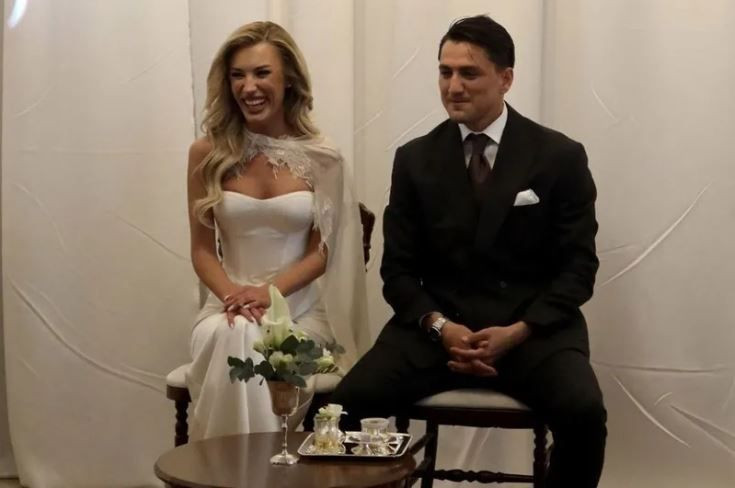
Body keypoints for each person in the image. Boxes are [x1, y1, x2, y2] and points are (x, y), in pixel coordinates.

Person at [331, 15, 606, 487]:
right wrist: (442, 328)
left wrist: (518, 331)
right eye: (445, 72)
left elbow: (579, 268)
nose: (453, 86)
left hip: (532, 333)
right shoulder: (414, 159)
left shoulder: (559, 156)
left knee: (584, 413)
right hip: (436, 333)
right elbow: (398, 271)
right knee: (339, 411)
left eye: (468, 73)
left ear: (506, 78)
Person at [184, 21, 369, 441]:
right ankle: (260, 465)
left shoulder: (323, 158)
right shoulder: (206, 153)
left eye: (261, 73)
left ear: (289, 80)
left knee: (245, 336)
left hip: (300, 314)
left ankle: (227, 465)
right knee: (235, 332)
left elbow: (322, 252)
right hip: (225, 309)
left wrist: (268, 295)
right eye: (238, 75)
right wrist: (234, 298)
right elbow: (202, 251)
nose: (248, 87)